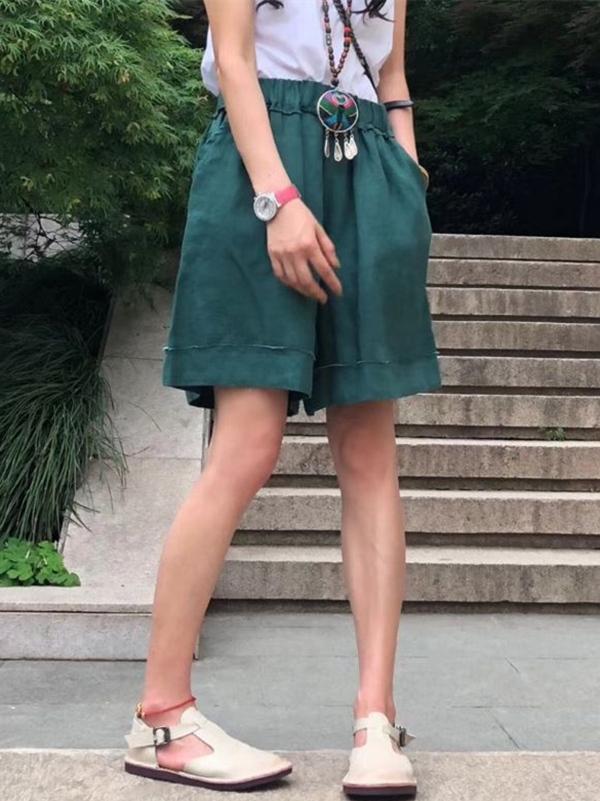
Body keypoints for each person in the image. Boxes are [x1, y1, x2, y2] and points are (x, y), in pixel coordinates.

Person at [123, 0, 441, 795]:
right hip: (262, 159)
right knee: (247, 445)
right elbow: (235, 59)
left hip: (369, 165)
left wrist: (408, 181)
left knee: (370, 452)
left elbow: (393, 75)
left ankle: (377, 719)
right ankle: (163, 715)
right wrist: (278, 199)